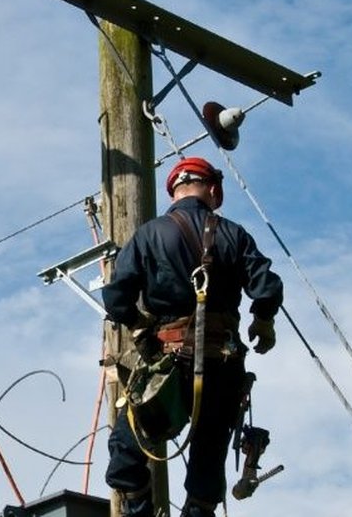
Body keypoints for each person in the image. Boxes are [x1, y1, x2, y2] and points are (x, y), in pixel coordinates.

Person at [102, 156, 283, 517]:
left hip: (168, 366)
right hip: (222, 367)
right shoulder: (234, 235)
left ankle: (139, 510)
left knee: (127, 450)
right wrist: (263, 323)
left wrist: (139, 327)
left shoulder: (148, 235)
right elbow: (266, 288)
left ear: (173, 191)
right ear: (214, 190)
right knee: (206, 472)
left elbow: (116, 298)